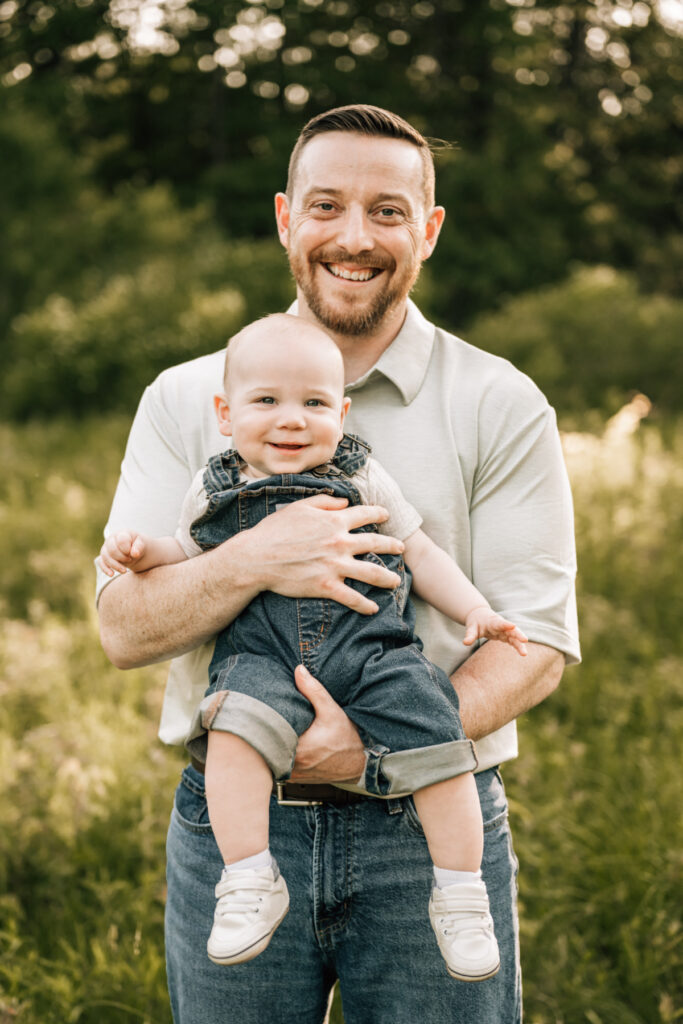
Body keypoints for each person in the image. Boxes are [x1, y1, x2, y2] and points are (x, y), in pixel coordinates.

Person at [97, 105, 580, 1023]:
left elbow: (536, 642)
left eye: (387, 212)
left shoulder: (500, 401)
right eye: (325, 206)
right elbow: (124, 629)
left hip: (428, 821)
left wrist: (372, 755)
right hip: (238, 815)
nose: (353, 238)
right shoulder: (189, 399)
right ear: (286, 218)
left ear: (428, 230)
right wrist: (258, 555)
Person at [100, 312, 529, 980]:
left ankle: (459, 890)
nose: (292, 419)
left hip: (377, 656)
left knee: (438, 740)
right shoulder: (214, 488)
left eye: (314, 403)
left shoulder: (363, 475)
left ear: (342, 412)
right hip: (261, 659)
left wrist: (476, 610)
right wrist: (140, 551)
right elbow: (184, 549)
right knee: (231, 733)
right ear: (225, 413)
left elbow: (417, 549)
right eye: (266, 401)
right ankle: (248, 876)